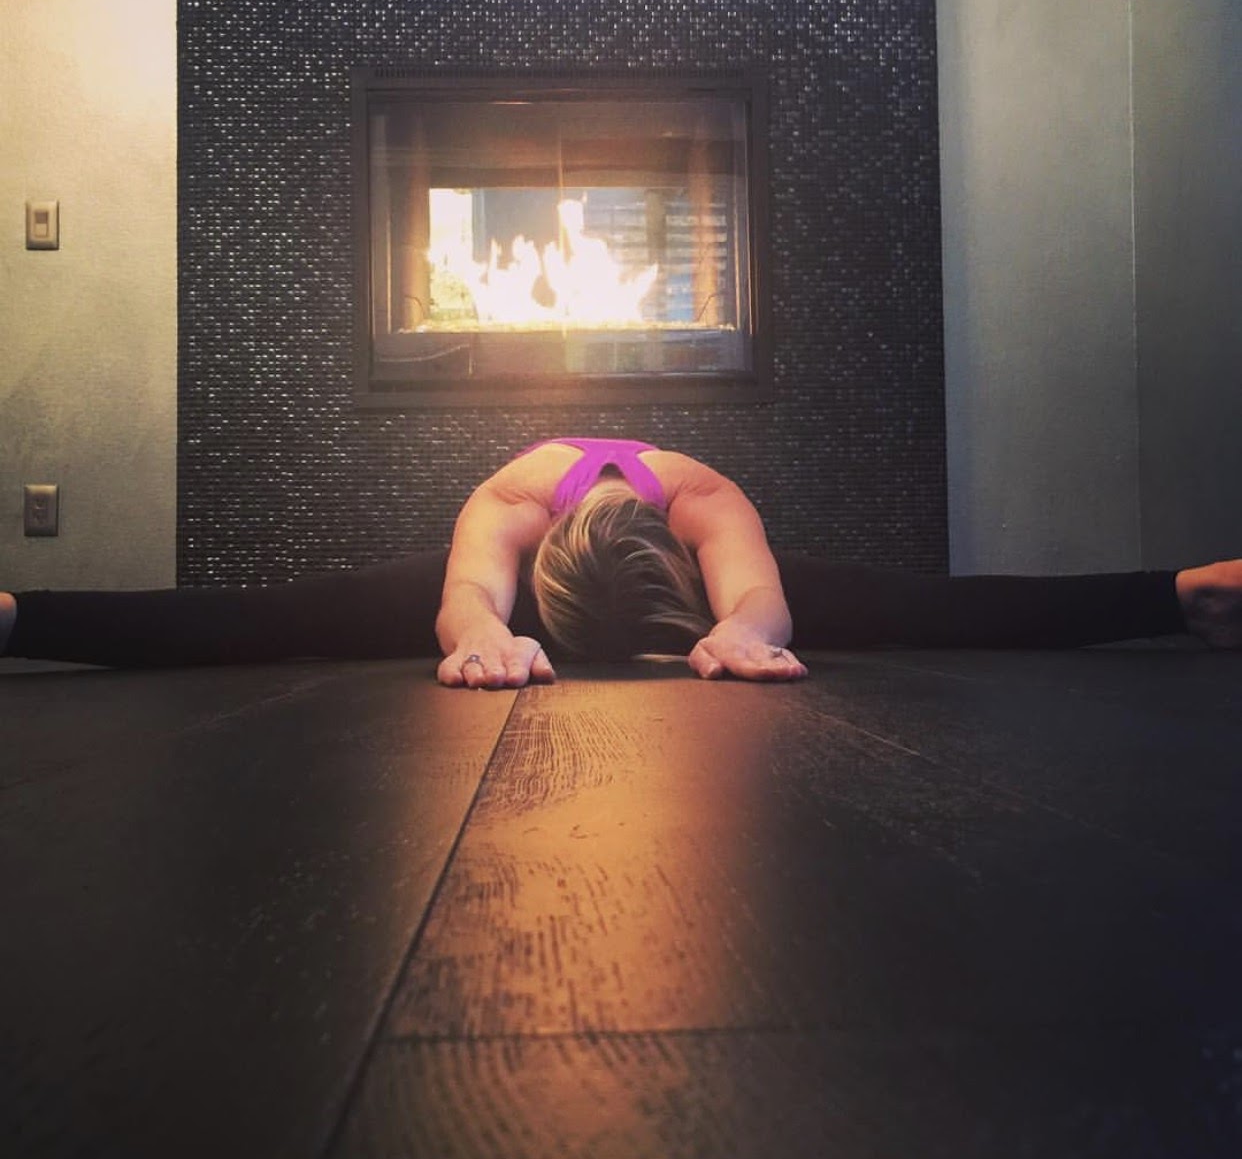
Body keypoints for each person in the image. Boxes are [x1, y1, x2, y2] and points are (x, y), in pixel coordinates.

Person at [1, 437, 1239, 686]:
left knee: (923, 606)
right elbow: (467, 598)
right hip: (518, 577)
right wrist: (483, 634)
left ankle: (1185, 593)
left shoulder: (700, 497)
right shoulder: (508, 501)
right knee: (277, 615)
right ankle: (17, 616)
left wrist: (746, 627)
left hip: (680, 575)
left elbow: (755, 591)